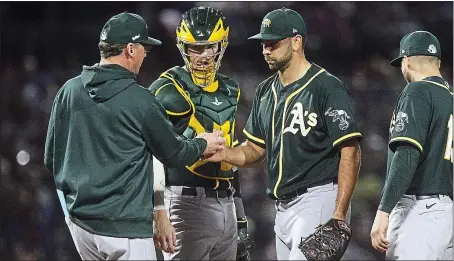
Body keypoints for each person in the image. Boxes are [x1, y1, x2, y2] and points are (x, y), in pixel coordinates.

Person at [44, 12, 225, 261]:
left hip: (80, 225)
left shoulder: (68, 91)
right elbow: (174, 154)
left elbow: (51, 158)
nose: (145, 55)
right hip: (124, 228)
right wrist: (203, 143)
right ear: (130, 49)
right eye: (143, 48)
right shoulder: (141, 100)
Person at [205, 7, 362, 260]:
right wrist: (225, 153)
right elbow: (256, 150)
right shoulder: (266, 90)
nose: (266, 50)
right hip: (282, 208)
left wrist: (340, 213)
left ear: (297, 41)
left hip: (318, 198)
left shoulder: (326, 86)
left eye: (273, 44)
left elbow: (350, 151)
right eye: (264, 44)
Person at [149, 6, 253, 261]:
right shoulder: (167, 89)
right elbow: (152, 154)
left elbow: (228, 157)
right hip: (186, 203)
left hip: (225, 202)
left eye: (210, 46)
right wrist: (159, 210)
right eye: (196, 47)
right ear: (183, 47)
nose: (204, 55)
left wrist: (239, 217)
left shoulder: (230, 88)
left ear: (222, 45)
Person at [370, 30, 453, 260]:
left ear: (407, 61)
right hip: (446, 214)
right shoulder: (450, 98)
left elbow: (406, 155)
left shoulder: (417, 92)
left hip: (419, 211)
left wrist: (383, 210)